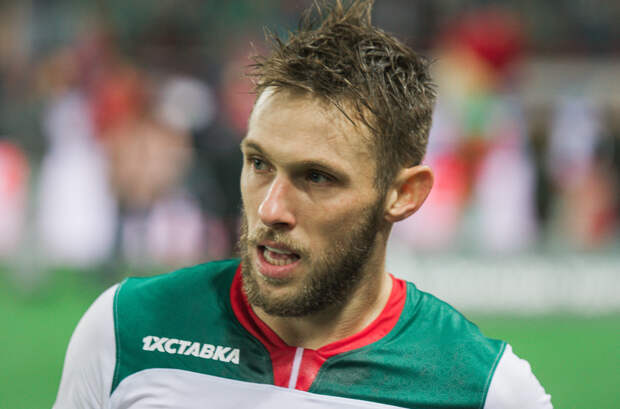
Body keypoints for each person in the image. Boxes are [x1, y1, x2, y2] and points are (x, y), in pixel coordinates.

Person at [53, 1, 553, 408]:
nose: (270, 210)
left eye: (317, 177)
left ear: (404, 194)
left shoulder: (484, 389)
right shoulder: (125, 329)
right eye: (259, 163)